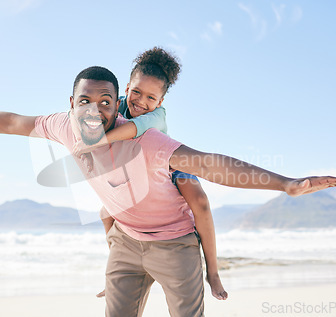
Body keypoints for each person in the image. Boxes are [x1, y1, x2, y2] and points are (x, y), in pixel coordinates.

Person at [0, 66, 336, 317]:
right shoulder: (61, 126)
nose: (95, 110)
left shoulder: (149, 139)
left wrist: (287, 184)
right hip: (125, 242)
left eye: (105, 102)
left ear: (116, 104)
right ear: (71, 103)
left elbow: (209, 163)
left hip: (176, 245)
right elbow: (12, 121)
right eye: (85, 101)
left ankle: (213, 272)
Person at [75, 47, 227, 300]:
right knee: (105, 213)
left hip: (168, 162)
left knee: (199, 201)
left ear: (161, 102)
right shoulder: (115, 105)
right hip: (133, 169)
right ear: (126, 88)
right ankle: (115, 273)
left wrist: (97, 142)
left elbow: (135, 128)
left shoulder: (156, 116)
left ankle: (213, 272)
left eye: (151, 98)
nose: (141, 102)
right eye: (136, 92)